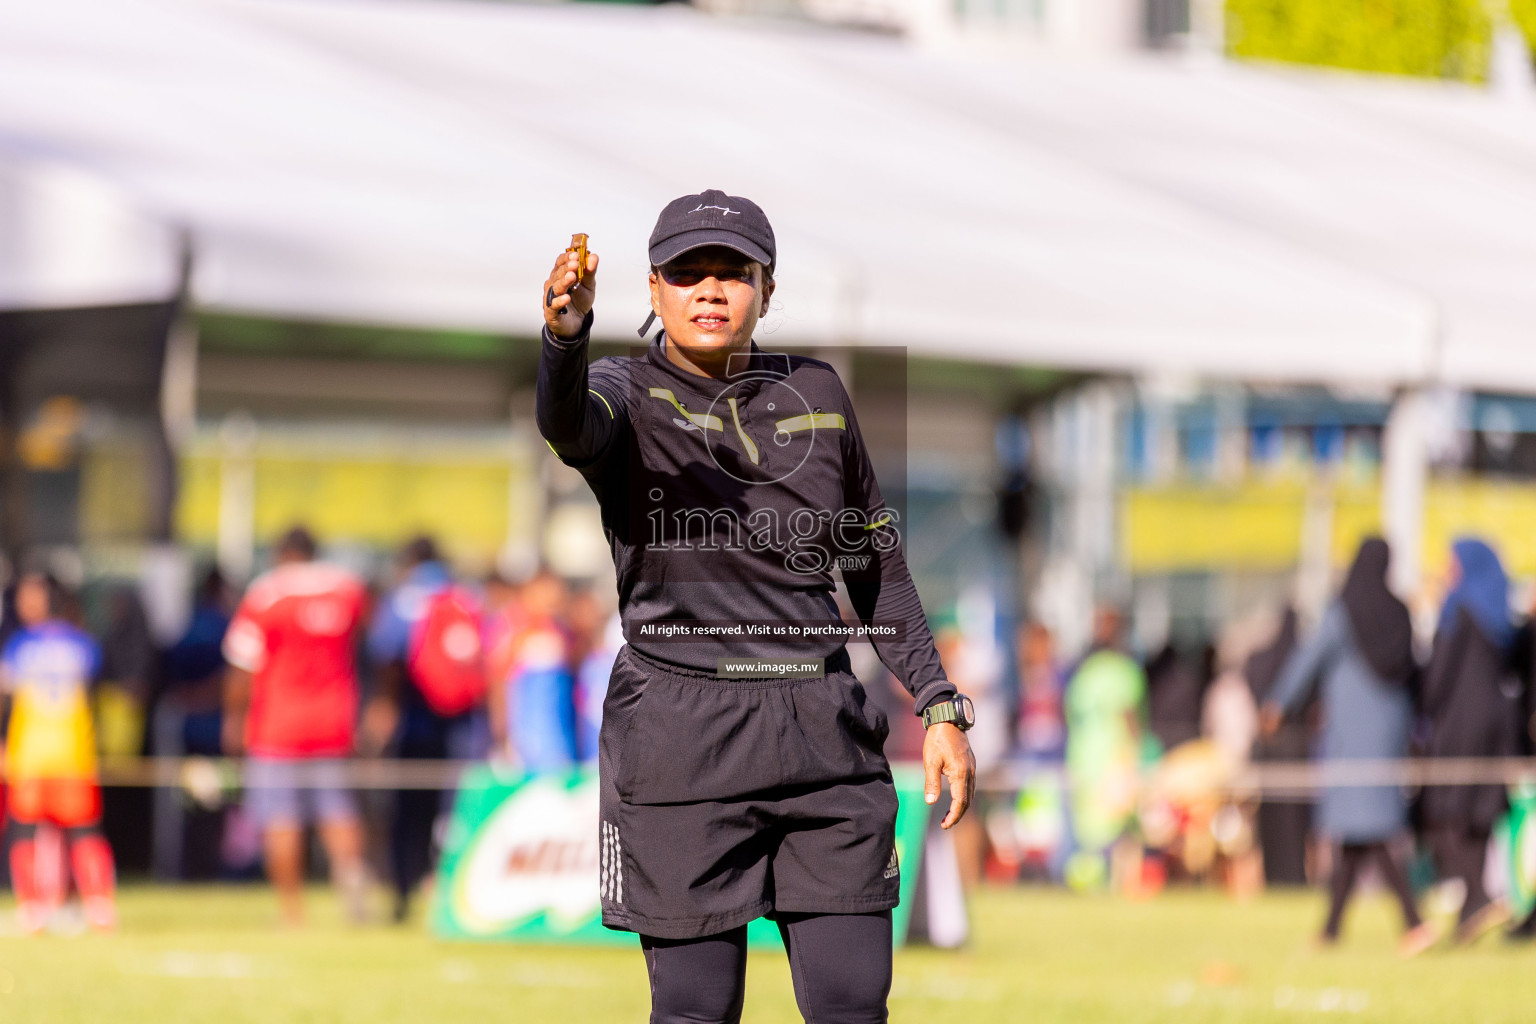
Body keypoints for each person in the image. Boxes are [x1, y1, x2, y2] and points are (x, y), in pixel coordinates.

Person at [537, 190, 974, 1024]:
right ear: (655, 290)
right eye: (687, 273)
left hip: (821, 729)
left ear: (767, 290)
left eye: (733, 273)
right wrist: (563, 339)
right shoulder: (619, 393)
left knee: (853, 1007)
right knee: (696, 1011)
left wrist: (941, 702)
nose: (710, 290)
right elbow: (565, 425)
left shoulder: (818, 390)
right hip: (679, 732)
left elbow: (875, 566)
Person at [1260, 538, 1436, 956]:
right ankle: (1332, 930)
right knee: (1361, 832)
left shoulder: (1344, 613)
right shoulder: (1399, 612)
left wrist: (1278, 704)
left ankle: (1413, 922)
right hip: (1391, 735)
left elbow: (1308, 659)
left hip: (1351, 738)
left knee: (1369, 831)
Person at [222, 526, 370, 926]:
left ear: (281, 553)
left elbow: (242, 664)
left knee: (280, 819)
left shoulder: (267, 593)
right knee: (337, 812)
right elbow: (364, 645)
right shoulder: (346, 590)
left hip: (277, 725)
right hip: (334, 722)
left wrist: (234, 719)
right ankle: (352, 886)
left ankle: (292, 910)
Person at [365, 535, 490, 922]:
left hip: (415, 721)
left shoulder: (404, 599)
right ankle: (453, 899)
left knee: (408, 812)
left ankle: (403, 895)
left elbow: (385, 653)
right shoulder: (467, 596)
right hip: (464, 724)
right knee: (455, 813)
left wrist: (383, 706)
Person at [0, 571, 117, 934]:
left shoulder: (21, 645)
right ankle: (99, 907)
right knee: (84, 831)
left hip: (31, 754)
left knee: (26, 832)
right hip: (75, 754)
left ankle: (33, 910)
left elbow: (5, 699)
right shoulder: (83, 643)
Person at [1421, 538, 1521, 943]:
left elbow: (1439, 673)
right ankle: (1470, 912)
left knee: (1443, 811)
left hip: (1461, 724)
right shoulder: (1499, 611)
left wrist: (1424, 707)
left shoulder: (1458, 609)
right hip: (1499, 724)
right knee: (1479, 815)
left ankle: (1477, 894)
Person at [1062, 606, 1148, 890]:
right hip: (1113, 759)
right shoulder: (1123, 670)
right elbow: (1130, 718)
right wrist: (1140, 754)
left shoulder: (1083, 671)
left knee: (1092, 830)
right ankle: (1121, 884)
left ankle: (1099, 883)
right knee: (1121, 828)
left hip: (1085, 759)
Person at [1245, 607, 1313, 887]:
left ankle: (1274, 877)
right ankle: (1294, 876)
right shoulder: (1301, 659)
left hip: (1269, 753)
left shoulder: (1259, 660)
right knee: (1296, 825)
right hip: (1297, 751)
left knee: (1271, 823)